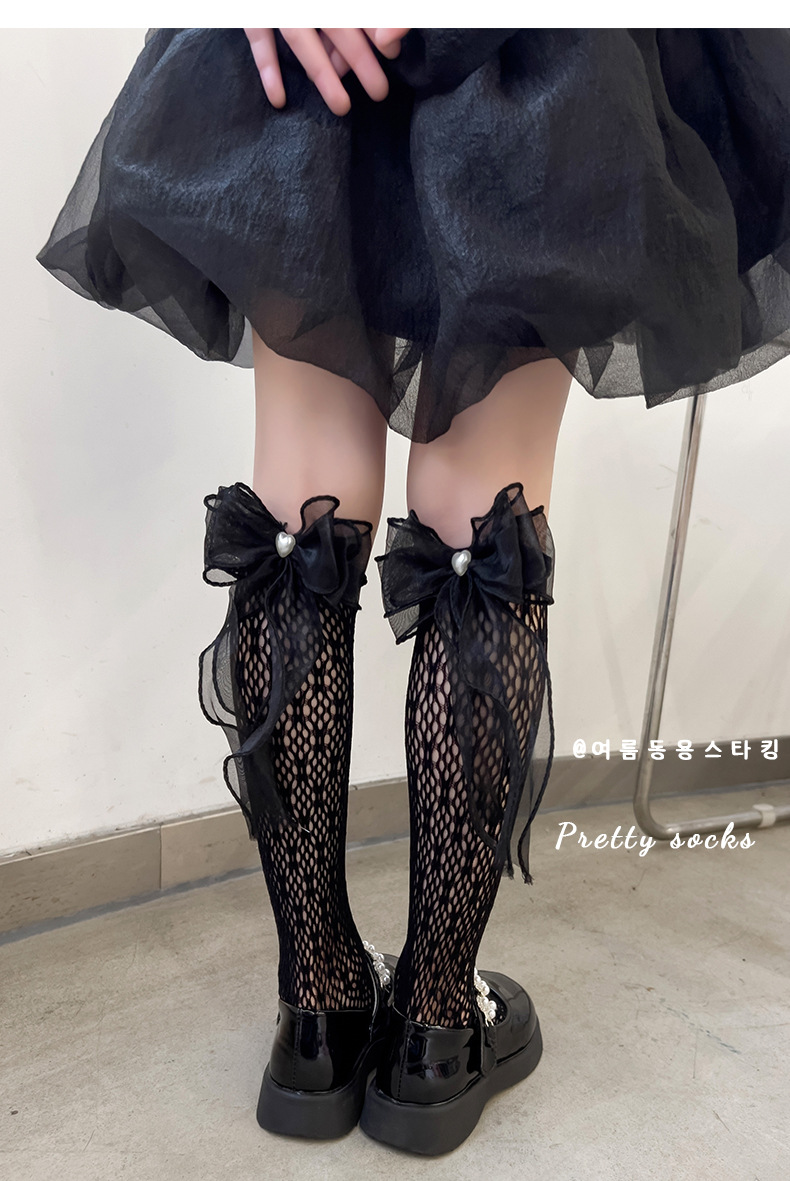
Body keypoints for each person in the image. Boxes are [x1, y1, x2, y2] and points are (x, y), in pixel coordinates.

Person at [36, 27, 790, 1156]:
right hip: (537, 54)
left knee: (299, 505)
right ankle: (435, 1026)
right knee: (480, 512)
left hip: (317, 52)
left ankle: (317, 1010)